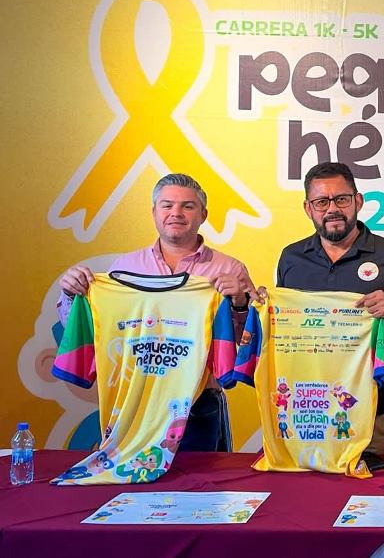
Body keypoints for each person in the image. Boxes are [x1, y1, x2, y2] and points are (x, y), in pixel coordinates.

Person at [58, 173, 254, 452]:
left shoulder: (229, 269)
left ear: (203, 215)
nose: (176, 213)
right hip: (135, 397)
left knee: (202, 478)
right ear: (154, 212)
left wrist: (240, 303)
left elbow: (249, 342)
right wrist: (71, 295)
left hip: (199, 403)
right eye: (167, 205)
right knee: (130, 476)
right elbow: (93, 330)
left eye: (187, 206)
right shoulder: (123, 269)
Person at [275, 161, 384, 456]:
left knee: (376, 486)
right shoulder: (291, 258)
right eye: (322, 202)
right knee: (304, 486)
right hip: (305, 410)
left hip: (373, 411)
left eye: (342, 199)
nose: (332, 209)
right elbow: (282, 331)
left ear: (358, 201)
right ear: (308, 208)